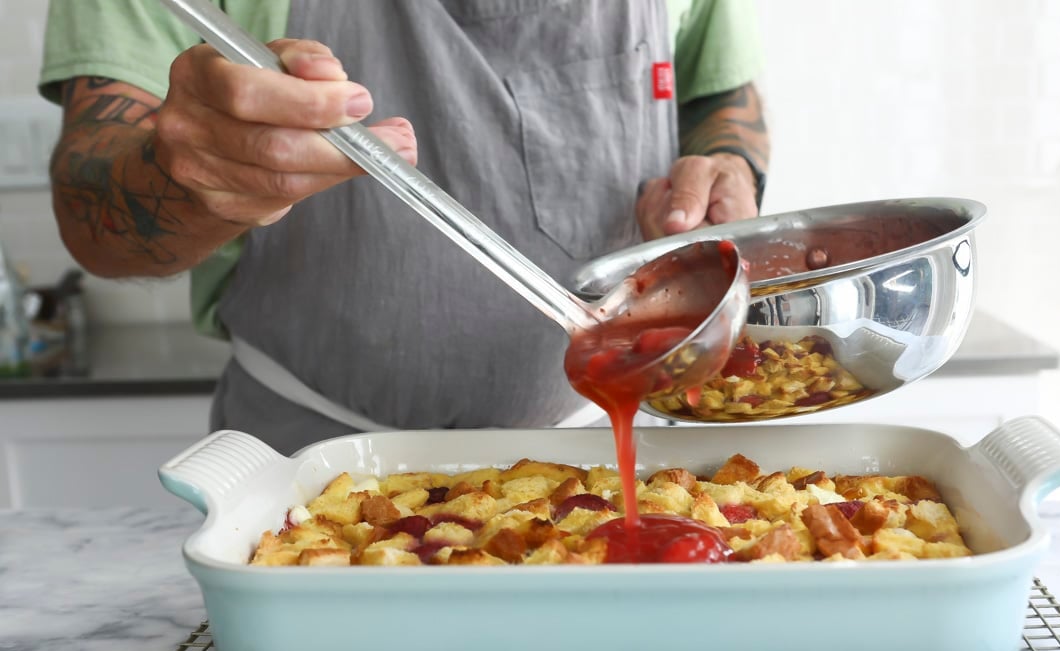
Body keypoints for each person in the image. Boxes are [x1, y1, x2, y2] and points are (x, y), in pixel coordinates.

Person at [41, 0, 771, 455]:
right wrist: (190, 178)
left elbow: (721, 88)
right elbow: (90, 211)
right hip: (307, 463)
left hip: (608, 450)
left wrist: (723, 161)